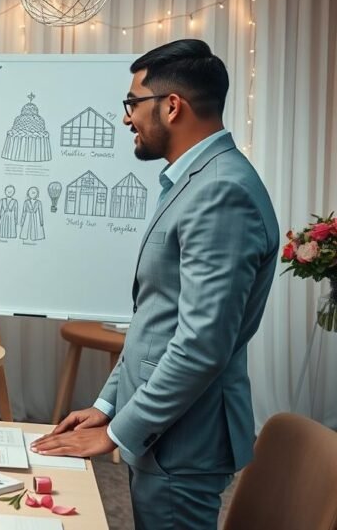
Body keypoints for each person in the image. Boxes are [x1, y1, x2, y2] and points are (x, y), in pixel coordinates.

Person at [32, 39, 280, 530]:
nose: (127, 118)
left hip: (185, 441)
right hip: (165, 430)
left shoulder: (221, 191)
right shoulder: (195, 180)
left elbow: (201, 345)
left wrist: (120, 431)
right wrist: (107, 406)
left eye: (132, 103)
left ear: (172, 106)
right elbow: (157, 320)